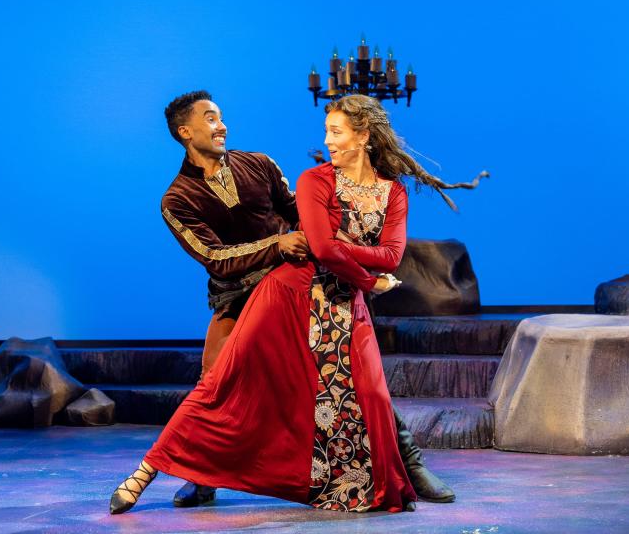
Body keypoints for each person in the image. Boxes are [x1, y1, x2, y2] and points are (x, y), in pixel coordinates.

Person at [148, 91, 455, 509]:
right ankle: (202, 476)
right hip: (238, 296)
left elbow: (300, 213)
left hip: (297, 284)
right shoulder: (177, 200)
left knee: (355, 376)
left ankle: (410, 463)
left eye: (220, 117)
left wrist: (334, 244)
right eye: (210, 118)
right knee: (214, 379)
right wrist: (278, 244)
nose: (222, 125)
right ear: (185, 131)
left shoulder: (258, 163)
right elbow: (213, 257)